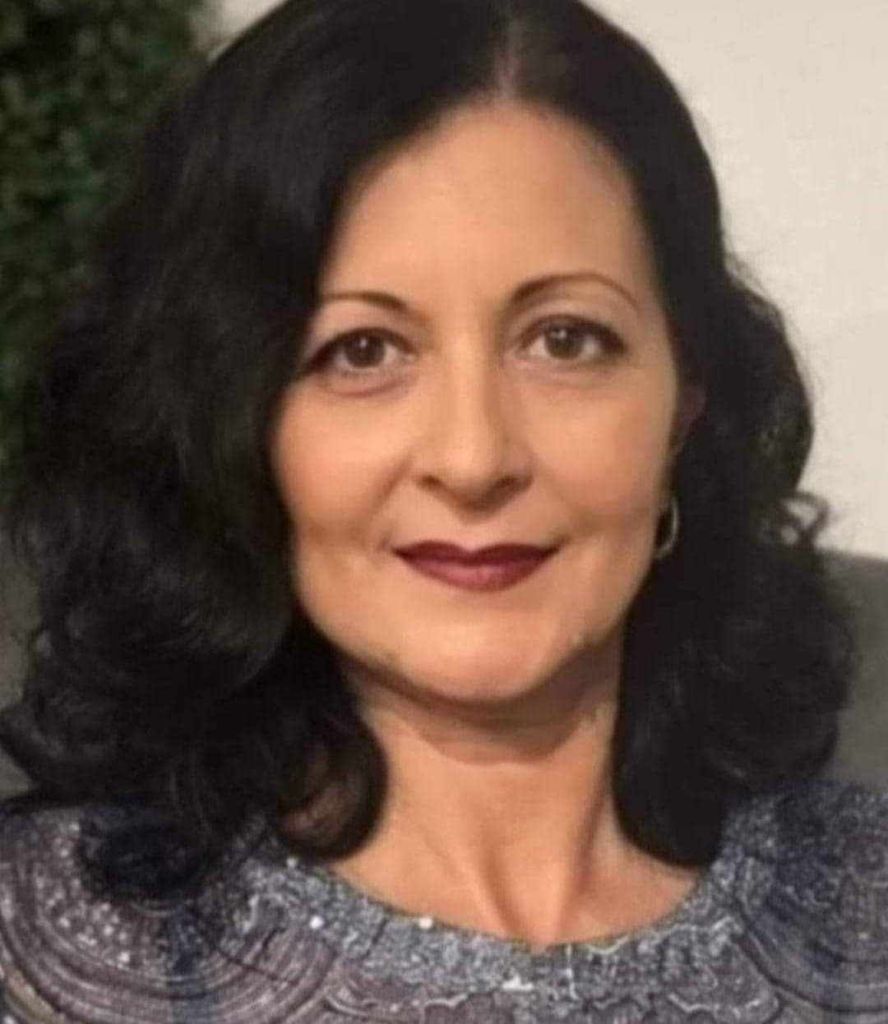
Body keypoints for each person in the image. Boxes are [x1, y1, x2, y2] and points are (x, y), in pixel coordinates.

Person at [1, 0, 885, 1019]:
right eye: (361, 351)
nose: (474, 458)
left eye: (565, 340)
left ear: (683, 404)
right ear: (231, 419)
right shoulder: (31, 951)